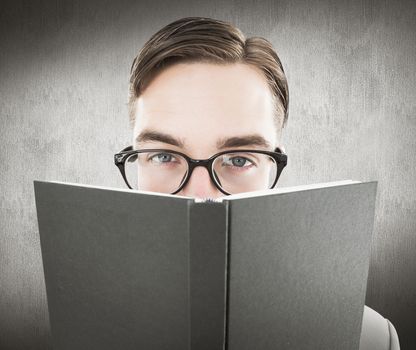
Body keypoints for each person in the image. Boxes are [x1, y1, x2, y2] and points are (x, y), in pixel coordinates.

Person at [114, 16, 399, 349]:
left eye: (238, 160)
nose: (201, 197)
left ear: (271, 166)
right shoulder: (84, 322)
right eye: (164, 156)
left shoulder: (370, 339)